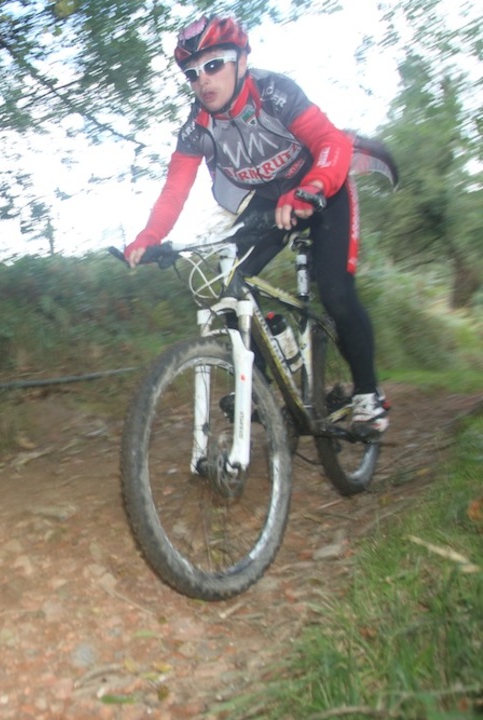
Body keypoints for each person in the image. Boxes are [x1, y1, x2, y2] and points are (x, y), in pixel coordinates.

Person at [122, 14, 391, 437]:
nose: (203, 79)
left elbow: (331, 141)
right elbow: (174, 190)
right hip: (270, 200)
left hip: (324, 187)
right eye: (192, 73)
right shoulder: (196, 128)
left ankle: (369, 396)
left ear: (241, 61)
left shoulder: (274, 93)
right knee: (228, 278)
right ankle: (260, 382)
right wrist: (149, 236)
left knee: (336, 293)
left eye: (214, 65)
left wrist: (313, 186)